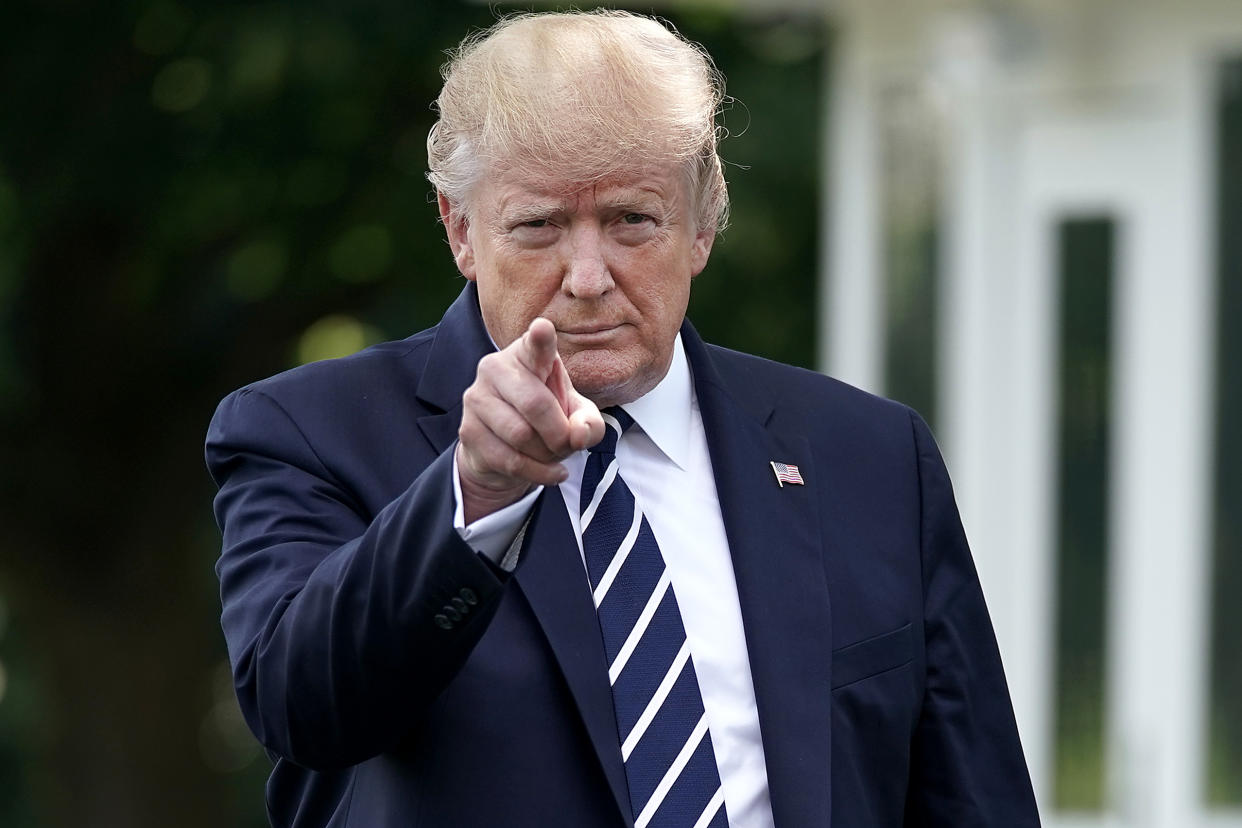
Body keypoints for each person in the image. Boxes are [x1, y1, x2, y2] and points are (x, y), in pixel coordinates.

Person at [206, 10, 1040, 828]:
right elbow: (302, 710)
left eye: (632, 220)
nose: (588, 276)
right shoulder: (309, 432)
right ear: (460, 230)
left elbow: (974, 797)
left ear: (703, 222)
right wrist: (472, 499)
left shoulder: (868, 456)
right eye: (539, 226)